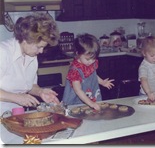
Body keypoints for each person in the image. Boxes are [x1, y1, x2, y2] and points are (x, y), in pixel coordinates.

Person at [0, 13, 60, 143]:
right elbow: (18, 95)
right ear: (26, 39)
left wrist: (41, 92)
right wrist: (17, 97)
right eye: (39, 46)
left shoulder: (31, 57)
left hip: (16, 116)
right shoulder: (3, 52)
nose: (41, 51)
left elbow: (29, 86)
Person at [62, 33, 114, 110]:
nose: (91, 62)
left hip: (91, 96)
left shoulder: (90, 64)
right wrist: (91, 103)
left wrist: (102, 82)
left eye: (94, 58)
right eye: (88, 59)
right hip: (77, 102)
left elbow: (93, 75)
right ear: (77, 53)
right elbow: (78, 90)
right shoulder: (75, 70)